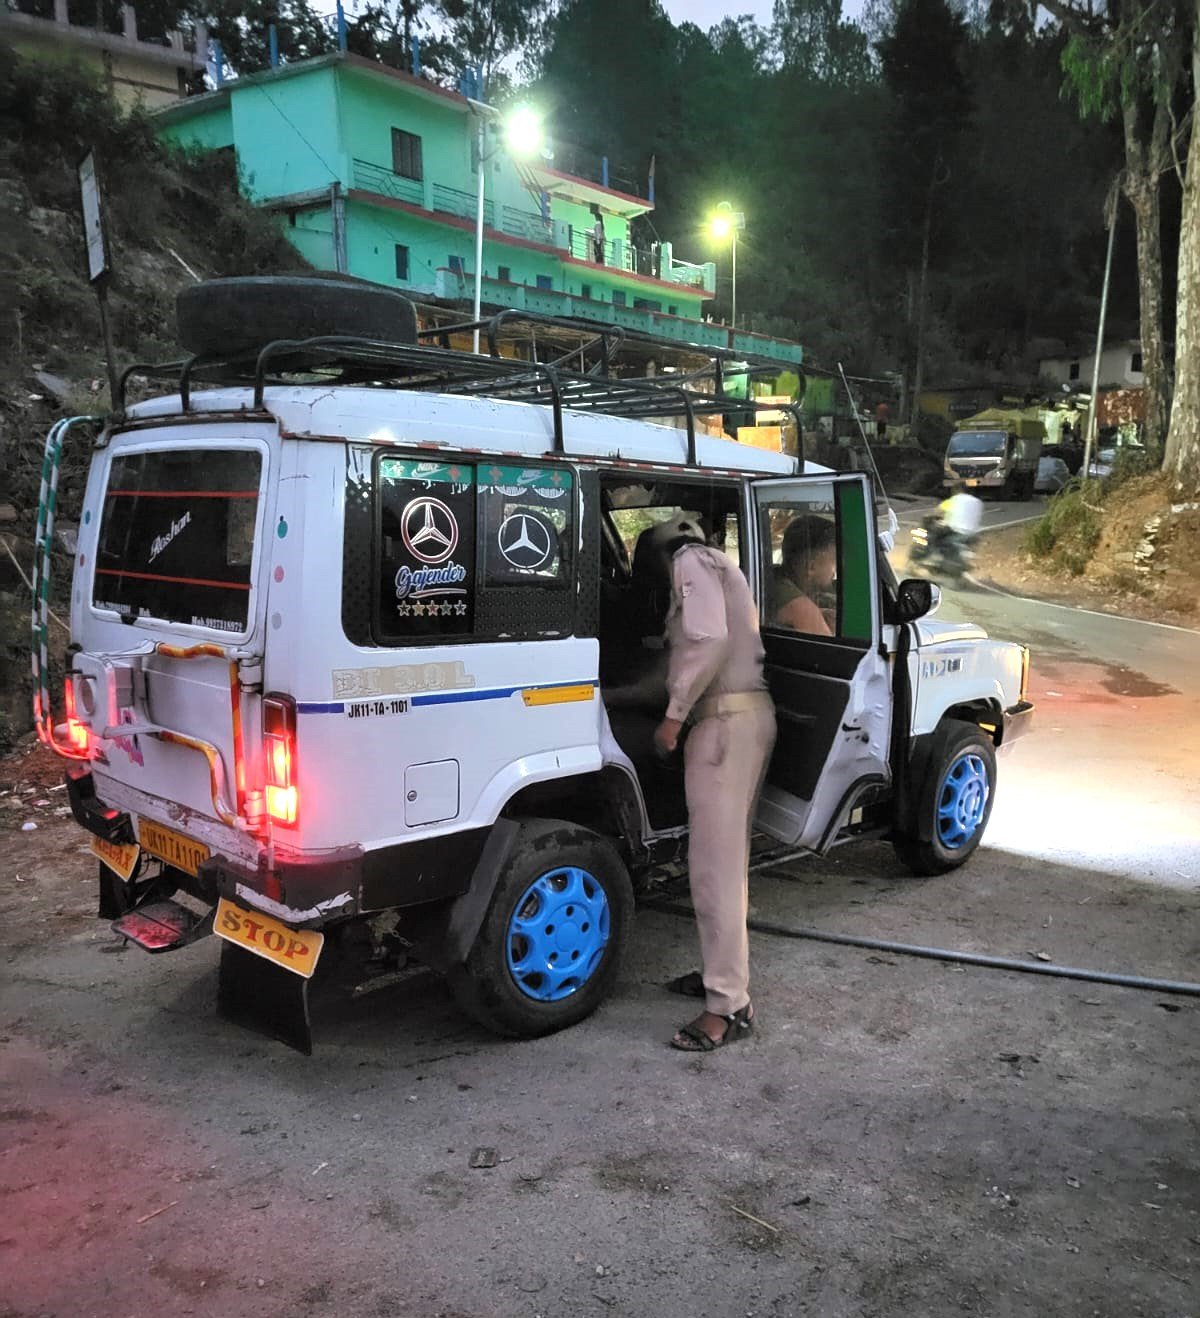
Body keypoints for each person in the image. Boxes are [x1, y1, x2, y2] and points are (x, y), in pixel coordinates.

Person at [650, 518, 777, 1051]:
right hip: (742, 718)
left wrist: (673, 716)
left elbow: (708, 640)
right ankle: (720, 977)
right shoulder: (721, 566)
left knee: (714, 873)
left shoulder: (690, 562)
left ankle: (728, 1007)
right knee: (727, 868)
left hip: (723, 724)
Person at [773, 515, 837, 635]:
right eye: (834, 561)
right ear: (811, 566)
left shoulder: (773, 579)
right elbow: (828, 643)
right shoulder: (802, 609)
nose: (834, 572)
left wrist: (820, 613)